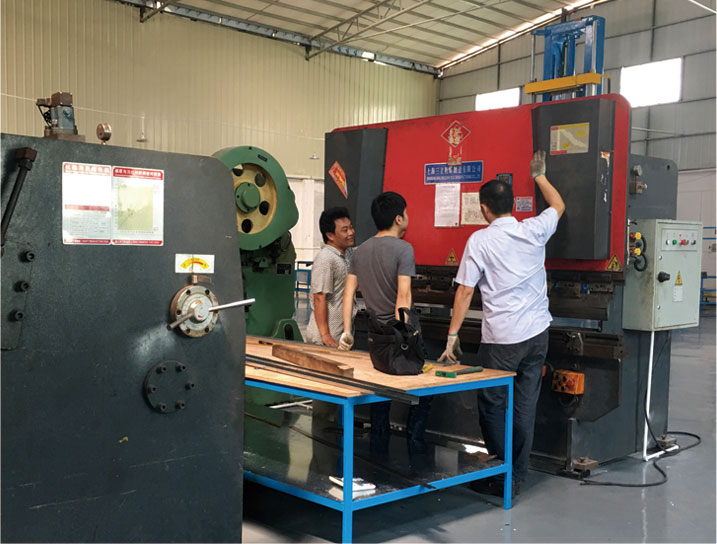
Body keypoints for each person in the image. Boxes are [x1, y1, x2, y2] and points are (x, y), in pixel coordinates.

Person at [438, 150, 565, 497]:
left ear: (484, 209)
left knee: (493, 405)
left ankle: (501, 473)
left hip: (502, 339)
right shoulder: (534, 229)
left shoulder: (480, 240)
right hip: (537, 334)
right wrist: (539, 176)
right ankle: (516, 475)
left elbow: (465, 291)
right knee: (524, 407)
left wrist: (451, 336)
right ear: (512, 204)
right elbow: (558, 205)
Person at [339, 191, 431, 456]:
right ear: (398, 218)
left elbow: (348, 293)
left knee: (380, 390)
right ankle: (415, 449)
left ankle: (379, 451)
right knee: (423, 391)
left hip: (375, 334)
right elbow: (403, 295)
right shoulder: (404, 249)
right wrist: (406, 336)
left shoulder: (360, 252)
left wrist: (347, 331)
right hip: (400, 331)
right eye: (407, 213)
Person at [304, 207, 356, 346]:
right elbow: (319, 297)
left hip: (340, 336)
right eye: (345, 230)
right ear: (330, 235)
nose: (351, 232)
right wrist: (325, 335)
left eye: (351, 227)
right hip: (325, 340)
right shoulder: (325, 259)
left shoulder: (347, 254)